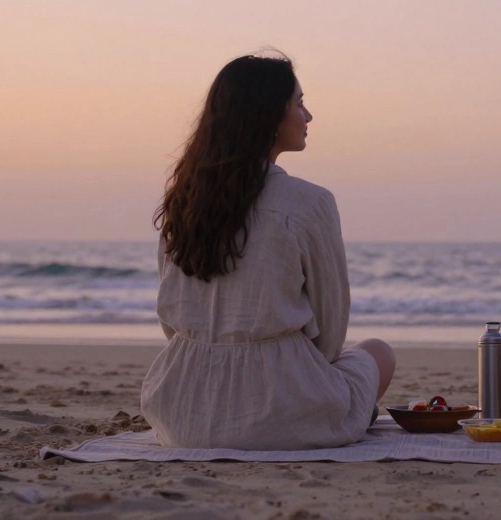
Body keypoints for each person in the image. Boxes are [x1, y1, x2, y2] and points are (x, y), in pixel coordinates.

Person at [141, 53, 394, 450]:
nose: (307, 116)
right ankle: (343, 417)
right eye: (298, 103)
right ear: (268, 116)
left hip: (182, 411)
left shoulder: (184, 199)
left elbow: (170, 319)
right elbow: (330, 333)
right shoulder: (309, 202)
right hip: (282, 412)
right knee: (377, 353)